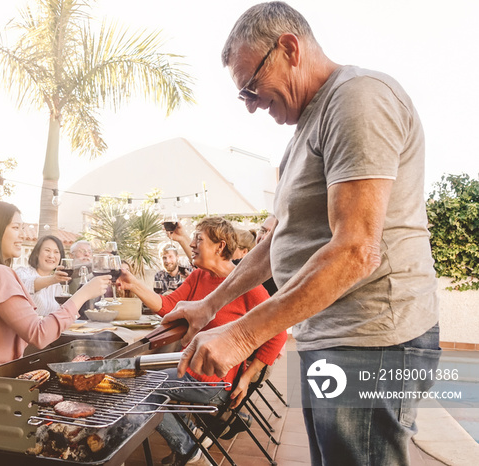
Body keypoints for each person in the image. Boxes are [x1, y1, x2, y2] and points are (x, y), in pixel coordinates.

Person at [164, 3, 440, 465]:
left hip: (373, 341)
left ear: (289, 48)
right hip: (334, 339)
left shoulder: (358, 99)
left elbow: (356, 250)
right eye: (243, 96)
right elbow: (277, 242)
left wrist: (239, 337)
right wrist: (209, 306)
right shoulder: (303, 130)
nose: (251, 106)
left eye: (251, 87)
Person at [117, 216, 287, 465]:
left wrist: (248, 377)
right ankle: (191, 435)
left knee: (139, 388)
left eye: (199, 239)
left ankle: (187, 446)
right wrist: (133, 284)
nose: (192, 244)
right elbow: (167, 305)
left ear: (220, 246)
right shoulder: (198, 277)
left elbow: (279, 333)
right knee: (139, 382)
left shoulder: (246, 283)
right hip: (187, 368)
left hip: (214, 381)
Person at [0, 201, 110, 365]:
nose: (22, 235)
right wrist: (84, 294)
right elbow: (39, 334)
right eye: (16, 228)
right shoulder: (0, 274)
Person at [14, 235, 71, 317]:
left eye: (56, 252)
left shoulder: (56, 285)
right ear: (37, 253)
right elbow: (28, 285)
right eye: (47, 250)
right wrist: (53, 279)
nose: (51, 256)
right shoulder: (23, 272)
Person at [255, 215, 278, 295]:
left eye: (273, 234)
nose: (264, 237)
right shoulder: (239, 266)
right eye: (263, 231)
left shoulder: (288, 275)